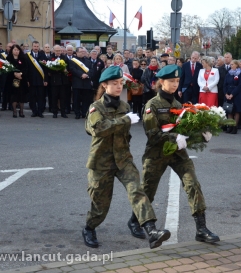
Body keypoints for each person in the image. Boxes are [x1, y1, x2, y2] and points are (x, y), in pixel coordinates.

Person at [83, 66, 170, 249]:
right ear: (104, 85)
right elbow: (98, 129)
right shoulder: (95, 107)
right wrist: (124, 120)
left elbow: (124, 133)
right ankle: (89, 228)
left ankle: (151, 231)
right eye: (114, 84)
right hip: (101, 162)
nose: (118, 86)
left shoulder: (124, 106)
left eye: (121, 83)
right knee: (101, 204)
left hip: (123, 159)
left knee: (137, 191)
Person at [141, 65, 220, 244]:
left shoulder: (178, 105)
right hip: (156, 154)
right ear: (161, 82)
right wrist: (174, 136)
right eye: (171, 81)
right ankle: (135, 220)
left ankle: (201, 229)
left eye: (177, 81)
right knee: (147, 192)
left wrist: (201, 135)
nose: (175, 84)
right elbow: (152, 135)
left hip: (177, 154)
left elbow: (185, 132)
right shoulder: (152, 105)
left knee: (193, 184)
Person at [47, 45, 71, 118]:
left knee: (63, 97)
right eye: (56, 50)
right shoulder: (50, 58)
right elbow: (48, 68)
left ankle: (63, 112)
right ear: (54, 50)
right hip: (54, 81)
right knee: (54, 97)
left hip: (63, 81)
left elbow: (68, 67)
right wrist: (54, 69)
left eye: (59, 50)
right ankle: (55, 112)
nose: (58, 52)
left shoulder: (65, 57)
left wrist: (65, 70)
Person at [6, 44, 29, 118]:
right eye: (15, 50)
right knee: (14, 96)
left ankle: (21, 111)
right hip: (12, 80)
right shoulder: (8, 58)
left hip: (21, 79)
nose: (16, 51)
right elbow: (7, 69)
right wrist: (14, 74)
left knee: (22, 96)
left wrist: (20, 74)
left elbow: (26, 68)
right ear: (12, 51)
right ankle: (14, 111)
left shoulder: (23, 58)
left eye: (17, 50)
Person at [223, 60, 241, 134]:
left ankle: (235, 127)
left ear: (236, 65)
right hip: (228, 93)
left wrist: (232, 94)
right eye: (230, 64)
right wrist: (226, 94)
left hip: (236, 94)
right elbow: (224, 84)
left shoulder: (240, 73)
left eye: (232, 64)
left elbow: (240, 85)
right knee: (229, 111)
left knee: (236, 111)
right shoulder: (228, 73)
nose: (231, 66)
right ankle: (230, 126)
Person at [27, 41, 47, 118]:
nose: (36, 48)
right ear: (32, 47)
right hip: (31, 80)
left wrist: (45, 80)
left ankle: (40, 111)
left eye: (37, 46)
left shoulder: (42, 55)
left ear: (39, 47)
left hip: (40, 80)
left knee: (41, 96)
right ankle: (34, 111)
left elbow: (45, 69)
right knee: (32, 96)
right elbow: (26, 69)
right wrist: (27, 80)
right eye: (34, 46)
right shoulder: (28, 56)